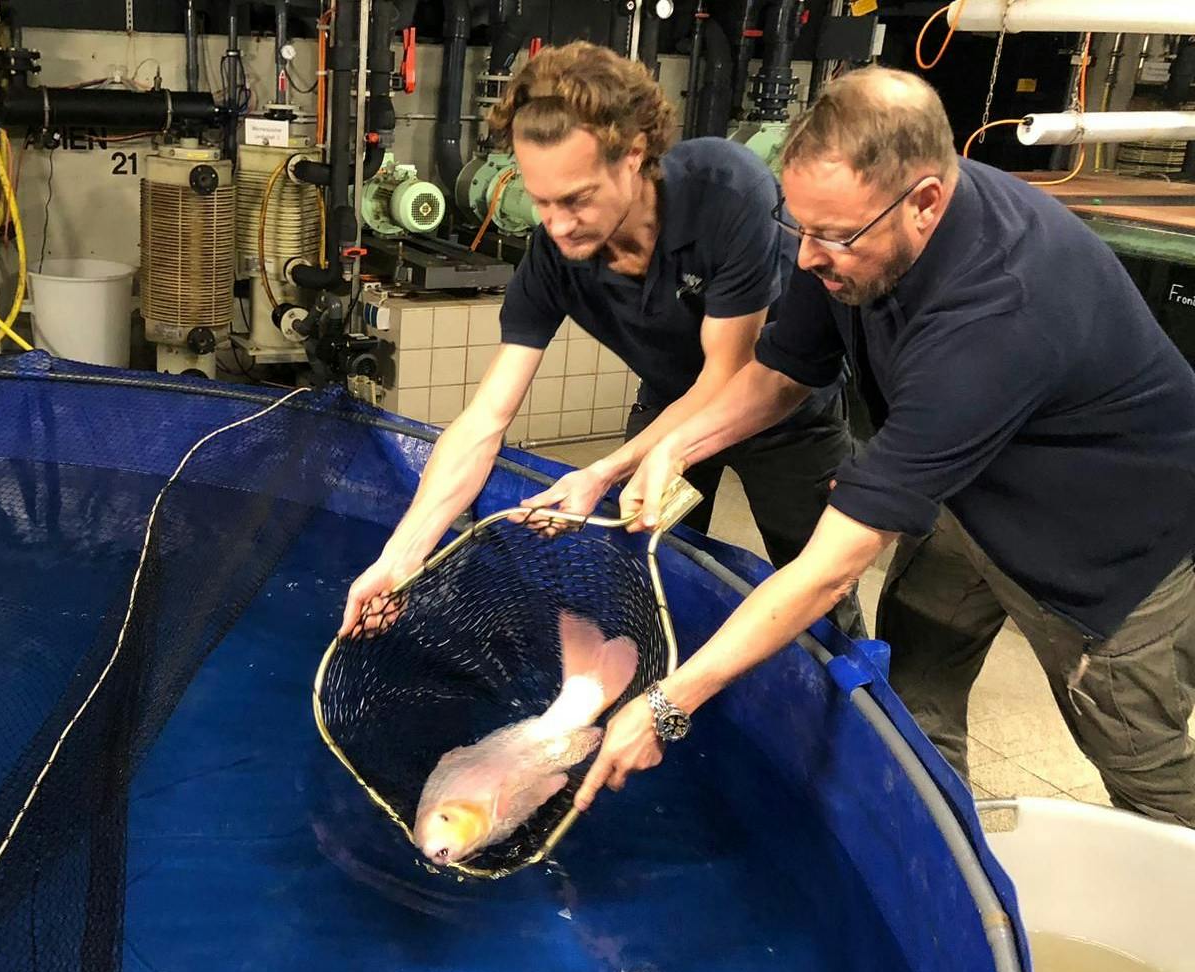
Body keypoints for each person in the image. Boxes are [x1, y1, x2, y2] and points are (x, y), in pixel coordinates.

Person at [575, 66, 1195, 828]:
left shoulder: (1000, 311)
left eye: (832, 237)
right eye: (799, 227)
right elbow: (782, 372)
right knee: (918, 693)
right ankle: (944, 855)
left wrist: (667, 706)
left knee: (1140, 761)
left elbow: (829, 569)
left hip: (1107, 549)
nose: (806, 258)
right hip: (975, 496)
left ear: (927, 201)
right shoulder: (847, 239)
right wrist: (672, 448)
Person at [340, 41, 862, 639]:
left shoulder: (727, 191)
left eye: (577, 198)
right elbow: (486, 417)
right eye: (540, 202)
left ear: (633, 155)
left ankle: (858, 702)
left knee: (819, 584)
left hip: (781, 409)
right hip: (671, 398)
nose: (558, 225)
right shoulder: (553, 256)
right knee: (637, 573)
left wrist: (603, 471)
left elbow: (728, 378)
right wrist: (400, 557)